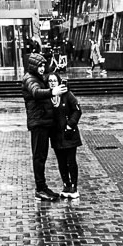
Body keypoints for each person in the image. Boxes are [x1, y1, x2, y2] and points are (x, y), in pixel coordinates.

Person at [21, 51, 66, 201]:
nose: (42, 68)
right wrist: (53, 91)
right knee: (39, 156)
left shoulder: (38, 77)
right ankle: (40, 189)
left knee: (42, 156)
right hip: (38, 123)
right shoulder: (30, 79)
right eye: (39, 66)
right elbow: (36, 92)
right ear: (33, 66)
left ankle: (43, 187)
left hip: (43, 121)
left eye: (43, 66)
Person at [49, 63, 83, 200]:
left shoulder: (67, 95)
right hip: (56, 135)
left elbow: (77, 110)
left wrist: (70, 124)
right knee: (61, 161)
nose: (52, 83)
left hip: (69, 134)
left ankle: (74, 186)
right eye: (50, 81)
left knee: (71, 160)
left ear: (59, 82)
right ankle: (66, 184)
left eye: (54, 81)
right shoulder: (48, 97)